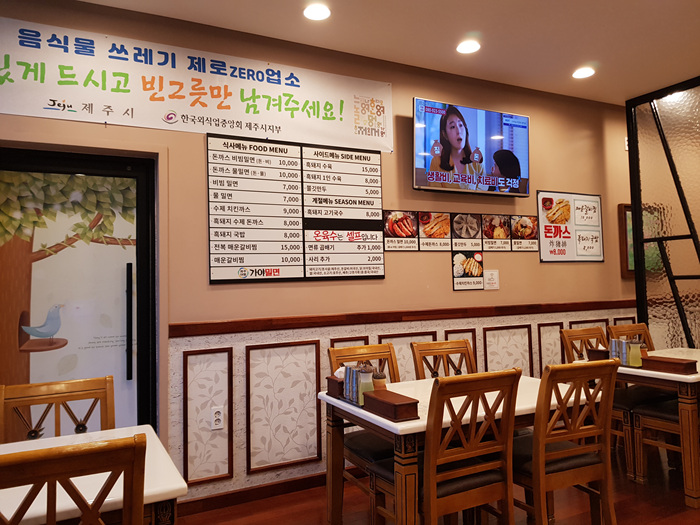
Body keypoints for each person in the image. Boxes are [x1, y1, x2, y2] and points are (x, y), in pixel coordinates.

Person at [427, 105, 486, 190]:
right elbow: (435, 193)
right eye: (452, 127)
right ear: (445, 134)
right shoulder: (436, 162)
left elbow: (482, 193)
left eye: (461, 125)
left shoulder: (477, 163)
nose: (458, 131)